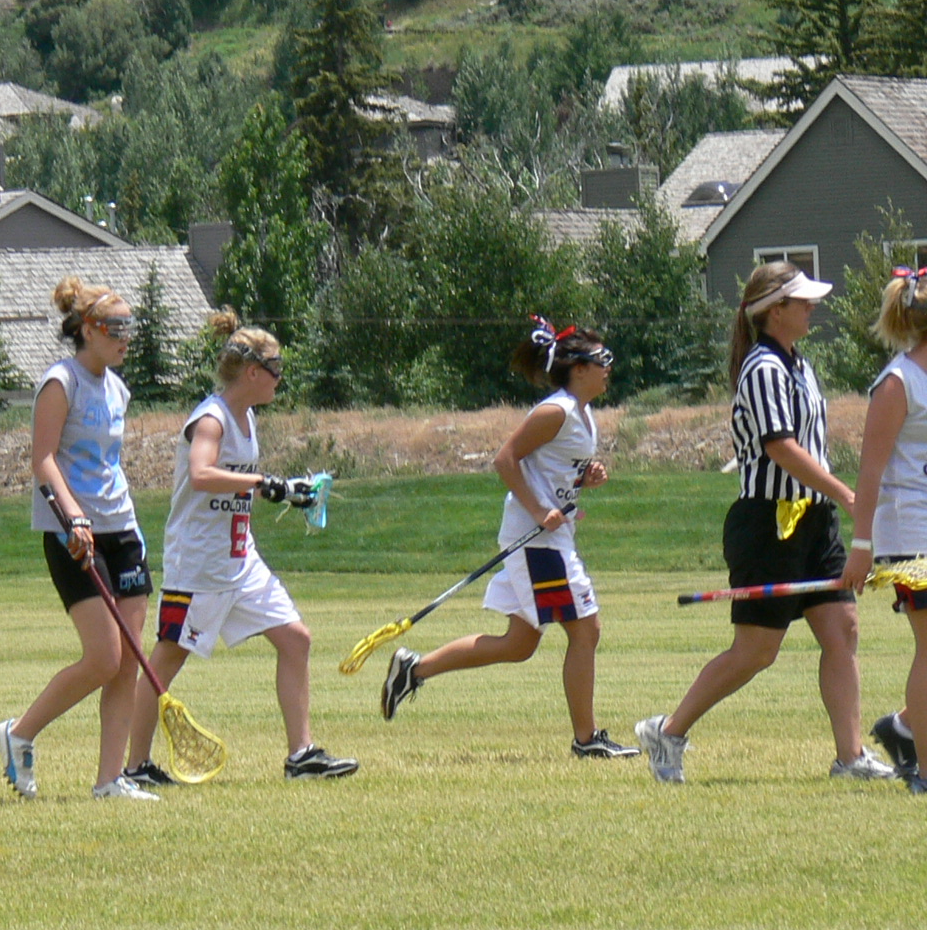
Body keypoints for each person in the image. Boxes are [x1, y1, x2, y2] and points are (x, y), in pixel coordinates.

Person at [635, 262, 893, 783]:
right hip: (768, 523)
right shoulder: (763, 368)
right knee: (756, 651)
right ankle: (668, 731)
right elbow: (781, 448)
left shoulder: (799, 364)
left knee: (842, 630)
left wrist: (831, 502)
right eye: (802, 301)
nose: (812, 308)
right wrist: (846, 494)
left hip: (813, 519)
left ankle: (850, 757)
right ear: (776, 311)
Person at [379, 318, 638, 759]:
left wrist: (584, 479)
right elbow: (505, 459)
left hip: (550, 537)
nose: (608, 368)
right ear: (578, 368)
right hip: (535, 541)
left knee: (519, 644)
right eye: (602, 360)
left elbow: (549, 470)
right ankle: (587, 739)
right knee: (586, 629)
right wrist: (538, 510)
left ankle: (413, 669)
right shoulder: (555, 411)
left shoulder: (582, 414)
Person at [123, 310, 357, 784]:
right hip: (199, 566)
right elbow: (202, 473)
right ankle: (135, 767)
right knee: (164, 662)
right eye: (275, 369)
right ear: (252, 372)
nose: (279, 378)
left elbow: (240, 485)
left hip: (240, 560)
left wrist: (286, 491)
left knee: (296, 639)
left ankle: (301, 755)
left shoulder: (247, 417)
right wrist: (264, 482)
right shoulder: (211, 419)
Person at [0, 278, 157, 801]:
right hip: (73, 535)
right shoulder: (61, 383)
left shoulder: (117, 389)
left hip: (122, 530)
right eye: (115, 328)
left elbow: (109, 465)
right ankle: (19, 734)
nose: (125, 338)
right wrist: (74, 516)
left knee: (128, 661)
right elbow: (42, 459)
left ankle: (110, 780)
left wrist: (119, 522)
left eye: (130, 328)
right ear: (88, 329)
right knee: (104, 657)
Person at [847, 266, 927, 794]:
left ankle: (902, 728)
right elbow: (870, 472)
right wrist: (861, 546)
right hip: (911, 531)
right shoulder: (899, 382)